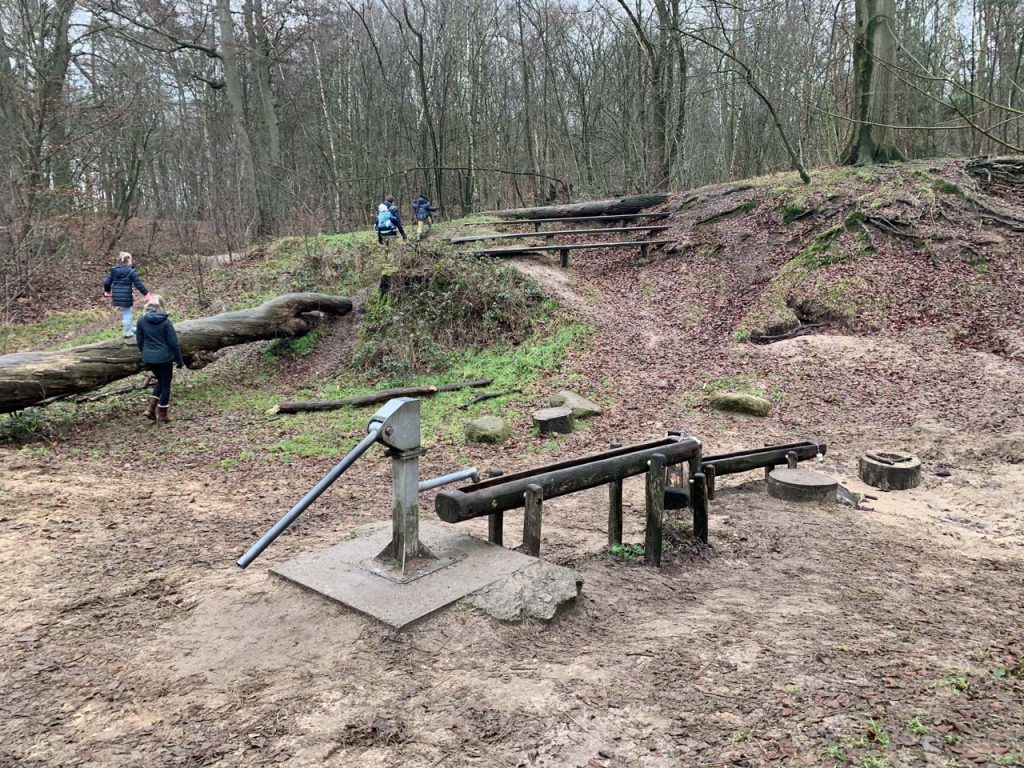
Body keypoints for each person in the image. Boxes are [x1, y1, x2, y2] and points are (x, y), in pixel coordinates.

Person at [136, 294, 185, 423]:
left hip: (149, 358)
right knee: (166, 384)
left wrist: (145, 353)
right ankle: (162, 414)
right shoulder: (166, 322)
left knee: (161, 380)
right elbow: (173, 343)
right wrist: (179, 360)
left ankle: (150, 409)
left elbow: (140, 341)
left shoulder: (141, 321)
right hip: (164, 358)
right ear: (161, 307)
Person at [103, 251, 149, 337]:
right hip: (126, 294)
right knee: (127, 312)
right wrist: (146, 294)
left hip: (116, 295)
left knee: (127, 310)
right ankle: (127, 332)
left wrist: (107, 291)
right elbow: (138, 284)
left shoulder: (114, 270)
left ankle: (131, 327)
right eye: (131, 259)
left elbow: (106, 282)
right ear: (128, 260)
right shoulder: (130, 271)